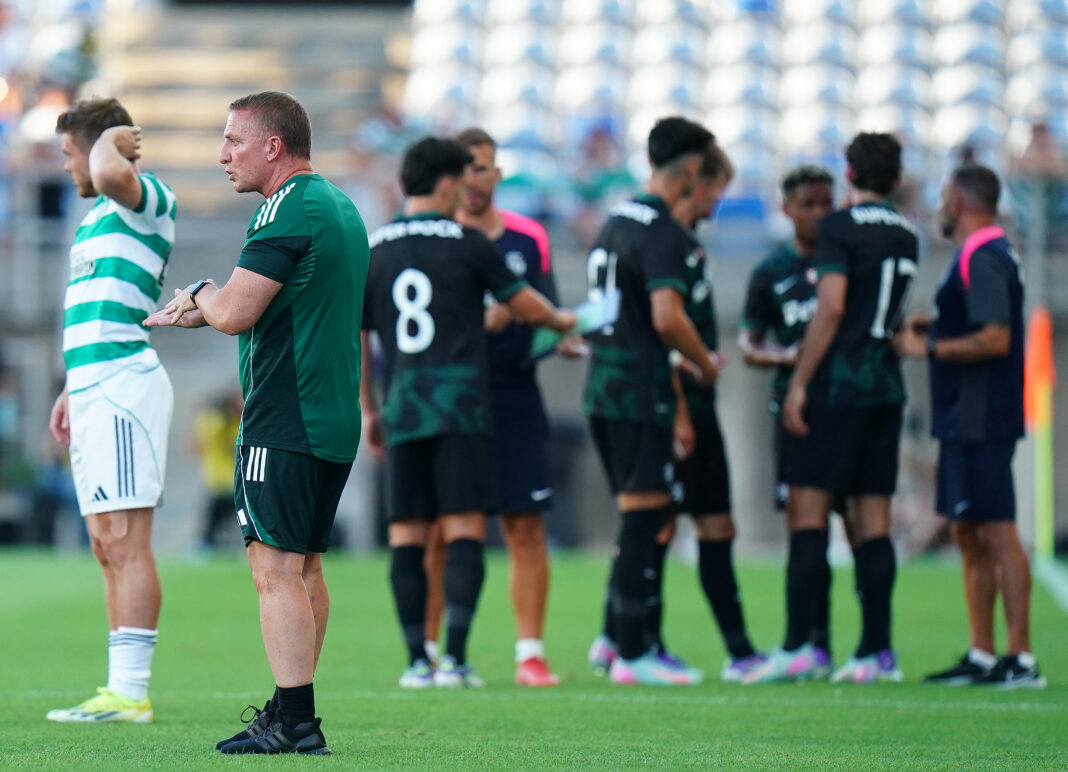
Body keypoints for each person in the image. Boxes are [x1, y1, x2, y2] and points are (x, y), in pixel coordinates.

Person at [145, 91, 368, 754]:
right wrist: (210, 309)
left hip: (283, 417)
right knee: (303, 569)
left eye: (233, 141)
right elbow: (277, 305)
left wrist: (200, 295)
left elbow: (237, 310)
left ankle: (296, 723)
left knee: (274, 570)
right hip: (330, 414)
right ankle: (288, 709)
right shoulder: (339, 204)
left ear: (274, 146)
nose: (222, 155)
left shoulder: (285, 206)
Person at [359, 137, 575, 690]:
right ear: (446, 182)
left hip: (403, 406)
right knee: (463, 529)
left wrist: (369, 408)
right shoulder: (468, 242)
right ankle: (454, 660)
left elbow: (358, 337)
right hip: (460, 408)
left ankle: (416, 662)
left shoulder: (374, 247)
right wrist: (564, 322)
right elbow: (525, 304)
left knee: (407, 534)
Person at [745, 133, 918, 684]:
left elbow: (833, 307)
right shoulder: (906, 233)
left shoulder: (839, 228)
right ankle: (876, 652)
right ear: (896, 178)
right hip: (885, 387)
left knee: (808, 514)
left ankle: (802, 646)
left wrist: (799, 382)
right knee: (873, 522)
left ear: (851, 172)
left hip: (837, 388)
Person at [418, 127, 566, 687]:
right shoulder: (432, 240)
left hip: (512, 395)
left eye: (481, 167)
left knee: (524, 525)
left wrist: (553, 337)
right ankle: (428, 652)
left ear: (497, 173)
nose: (472, 179)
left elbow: (548, 312)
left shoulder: (528, 238)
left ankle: (530, 653)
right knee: (442, 530)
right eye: (463, 169)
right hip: (450, 402)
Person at [46, 98, 176, 724]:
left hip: (124, 383)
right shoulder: (97, 216)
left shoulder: (144, 199)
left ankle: (131, 692)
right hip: (93, 385)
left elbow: (105, 169)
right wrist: (70, 386)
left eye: (69, 152)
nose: (66, 165)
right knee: (104, 544)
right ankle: (117, 689)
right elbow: (94, 310)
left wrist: (111, 142)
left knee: (125, 541)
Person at [583, 117, 722, 685]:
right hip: (639, 390)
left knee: (641, 515)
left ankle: (618, 641)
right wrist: (705, 362)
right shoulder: (663, 229)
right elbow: (667, 318)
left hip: (602, 386)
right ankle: (634, 653)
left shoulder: (615, 220)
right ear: (690, 167)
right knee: (646, 515)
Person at [897, 165, 1045, 689]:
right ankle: (982, 653)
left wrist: (930, 346)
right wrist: (939, 326)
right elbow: (979, 325)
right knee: (967, 530)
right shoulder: (983, 253)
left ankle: (1020, 658)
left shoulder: (983, 256)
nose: (939, 207)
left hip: (982, 415)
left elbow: (995, 337)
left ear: (959, 202)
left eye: (943, 198)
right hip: (965, 414)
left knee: (997, 529)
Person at [662, 144, 767, 681]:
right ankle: (630, 641)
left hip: (695, 405)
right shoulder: (662, 244)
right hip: (672, 407)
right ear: (695, 183)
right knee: (654, 524)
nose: (719, 201)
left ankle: (738, 649)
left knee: (713, 524)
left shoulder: (688, 246)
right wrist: (684, 399)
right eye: (717, 188)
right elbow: (660, 330)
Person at [738, 165, 845, 676]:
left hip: (847, 406)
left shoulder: (846, 260)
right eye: (809, 205)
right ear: (786, 209)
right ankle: (809, 641)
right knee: (806, 527)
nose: (819, 214)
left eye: (827, 203)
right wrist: (785, 358)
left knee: (860, 525)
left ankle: (870, 648)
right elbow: (749, 342)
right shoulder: (771, 270)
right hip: (797, 414)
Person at [192, 389, 243, 549]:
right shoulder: (236, 425)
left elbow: (195, 445)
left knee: (215, 519)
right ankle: (211, 542)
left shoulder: (210, 423)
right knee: (221, 519)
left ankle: (207, 542)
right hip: (230, 481)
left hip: (217, 481)